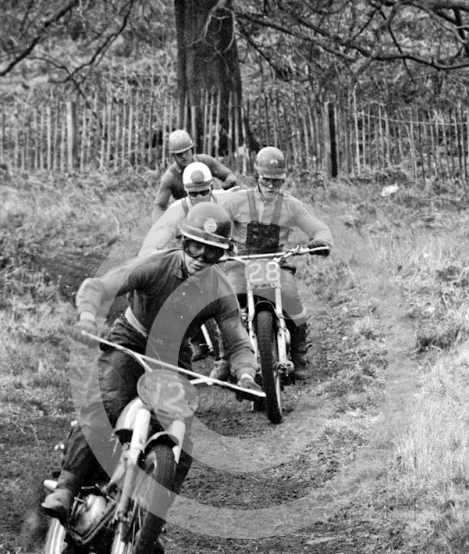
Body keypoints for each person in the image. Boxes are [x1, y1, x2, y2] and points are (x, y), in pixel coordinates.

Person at [42, 204, 258, 523]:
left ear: (221, 256)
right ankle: (68, 486)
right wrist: (88, 320)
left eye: (210, 252)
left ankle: (151, 520)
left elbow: (239, 341)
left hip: (172, 357)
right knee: (107, 404)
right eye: (195, 246)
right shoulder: (155, 265)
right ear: (183, 241)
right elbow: (98, 287)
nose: (200, 256)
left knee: (181, 442)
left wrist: (246, 375)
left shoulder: (220, 290)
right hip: (131, 338)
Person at [214, 146, 333, 380]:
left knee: (292, 301)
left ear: (283, 181)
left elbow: (318, 227)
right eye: (266, 179)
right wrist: (217, 243)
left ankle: (298, 356)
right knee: (228, 302)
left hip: (277, 263)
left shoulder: (291, 205)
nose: (270, 185)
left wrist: (320, 242)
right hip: (241, 263)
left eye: (276, 181)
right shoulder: (236, 201)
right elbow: (213, 220)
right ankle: (225, 358)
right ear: (257, 176)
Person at [140, 161, 231, 362]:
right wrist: (150, 260)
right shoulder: (176, 210)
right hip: (192, 263)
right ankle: (198, 343)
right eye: (193, 194)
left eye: (203, 192)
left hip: (221, 259)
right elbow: (154, 239)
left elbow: (254, 203)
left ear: (211, 188)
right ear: (186, 193)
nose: (199, 198)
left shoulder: (226, 201)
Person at [152, 129, 239, 222]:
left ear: (192, 149)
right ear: (173, 156)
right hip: (189, 219)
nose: (184, 156)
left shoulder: (205, 161)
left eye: (186, 151)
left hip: (213, 212)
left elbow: (229, 175)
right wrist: (158, 228)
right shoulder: (170, 177)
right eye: (179, 154)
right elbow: (159, 206)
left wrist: (230, 182)